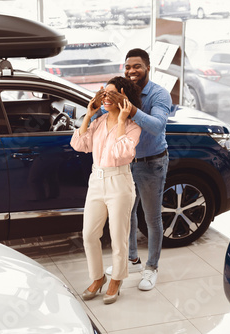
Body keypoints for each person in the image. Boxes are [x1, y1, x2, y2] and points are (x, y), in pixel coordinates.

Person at [103, 48, 172, 291]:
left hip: (151, 163)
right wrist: (107, 101)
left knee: (152, 218)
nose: (131, 71)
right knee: (126, 214)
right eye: (128, 67)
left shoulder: (159, 95)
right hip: (125, 163)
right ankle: (132, 260)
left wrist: (131, 109)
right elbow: (104, 113)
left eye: (137, 67)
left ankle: (152, 268)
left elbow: (156, 126)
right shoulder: (121, 89)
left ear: (147, 67)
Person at [71, 76, 142, 304]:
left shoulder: (133, 127)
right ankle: (98, 277)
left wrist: (122, 120)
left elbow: (124, 154)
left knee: (118, 236)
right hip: (97, 181)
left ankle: (117, 279)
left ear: (124, 99)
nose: (106, 98)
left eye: (112, 94)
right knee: (89, 235)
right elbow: (79, 145)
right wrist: (89, 115)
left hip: (119, 183)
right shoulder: (98, 122)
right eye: (104, 94)